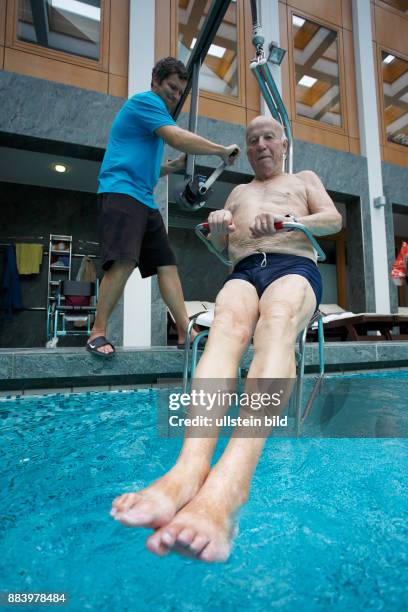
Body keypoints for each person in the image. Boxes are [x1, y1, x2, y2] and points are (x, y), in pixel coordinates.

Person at [110, 115, 342, 561]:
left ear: (284, 142)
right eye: (251, 140)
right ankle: (187, 470)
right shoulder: (237, 193)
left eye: (267, 137)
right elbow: (225, 250)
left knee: (275, 323)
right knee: (225, 331)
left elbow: (331, 220)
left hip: (293, 267)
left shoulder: (304, 179)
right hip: (243, 271)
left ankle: (231, 482)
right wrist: (217, 235)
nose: (260, 146)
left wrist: (289, 220)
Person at [87, 57, 239, 356]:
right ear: (155, 81)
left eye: (180, 91)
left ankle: (186, 332)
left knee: (166, 264)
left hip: (143, 197)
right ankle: (97, 331)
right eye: (171, 87)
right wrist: (219, 150)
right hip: (122, 192)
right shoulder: (145, 102)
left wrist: (175, 165)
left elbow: (153, 170)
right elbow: (177, 137)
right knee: (124, 260)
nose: (174, 94)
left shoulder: (153, 120)